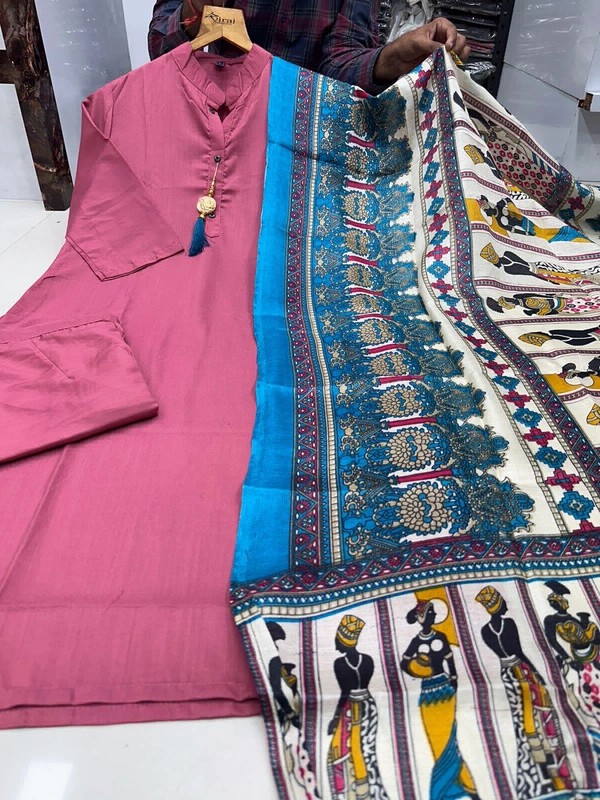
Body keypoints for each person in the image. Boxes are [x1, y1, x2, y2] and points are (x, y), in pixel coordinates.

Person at [148, 1, 469, 95]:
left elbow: (340, 60)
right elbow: (160, 47)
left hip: (298, 132)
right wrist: (201, 7)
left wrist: (394, 56)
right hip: (213, 117)